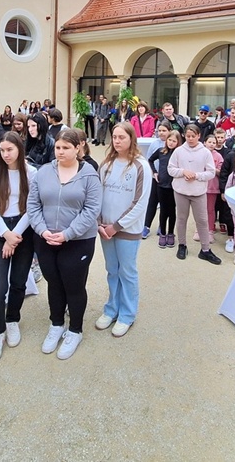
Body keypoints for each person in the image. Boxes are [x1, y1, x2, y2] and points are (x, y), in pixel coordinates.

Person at [27, 129, 102, 360]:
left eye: (66, 148)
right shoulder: (43, 172)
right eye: (58, 147)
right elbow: (33, 204)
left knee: (74, 285)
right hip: (46, 238)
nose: (60, 152)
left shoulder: (89, 175)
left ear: (78, 148)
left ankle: (75, 330)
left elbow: (92, 210)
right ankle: (56, 324)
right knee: (54, 283)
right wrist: (42, 230)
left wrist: (68, 234)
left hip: (78, 240)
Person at [94, 122, 151, 337]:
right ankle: (112, 309)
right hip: (105, 229)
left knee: (127, 271)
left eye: (122, 137)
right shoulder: (106, 164)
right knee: (112, 270)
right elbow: (97, 194)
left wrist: (116, 226)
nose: (117, 141)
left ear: (131, 139)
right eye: (115, 137)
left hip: (126, 230)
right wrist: (100, 223)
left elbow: (140, 202)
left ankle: (127, 314)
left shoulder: (141, 166)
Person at [0, 132, 37, 363]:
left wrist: (15, 235)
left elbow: (32, 208)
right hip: (1, 231)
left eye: (10, 150)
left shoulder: (31, 172)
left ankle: (12, 319)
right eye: (2, 150)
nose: (5, 155)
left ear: (19, 149)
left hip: (24, 230)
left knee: (18, 282)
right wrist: (6, 234)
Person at [168, 124, 218, 264]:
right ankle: (182, 245)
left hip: (198, 192)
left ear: (199, 136)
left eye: (193, 136)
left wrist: (196, 175)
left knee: (202, 220)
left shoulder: (205, 152)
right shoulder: (178, 151)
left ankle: (205, 250)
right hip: (181, 191)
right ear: (184, 136)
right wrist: (183, 172)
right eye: (188, 136)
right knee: (181, 218)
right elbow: (171, 169)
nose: (190, 139)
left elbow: (211, 172)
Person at [150, 129, 180, 249]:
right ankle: (162, 233)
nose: (171, 143)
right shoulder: (160, 151)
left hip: (174, 187)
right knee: (163, 210)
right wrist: (155, 172)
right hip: (161, 185)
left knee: (172, 211)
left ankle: (171, 233)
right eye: (169, 140)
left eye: (174, 141)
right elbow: (150, 160)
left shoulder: (179, 154)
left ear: (178, 142)